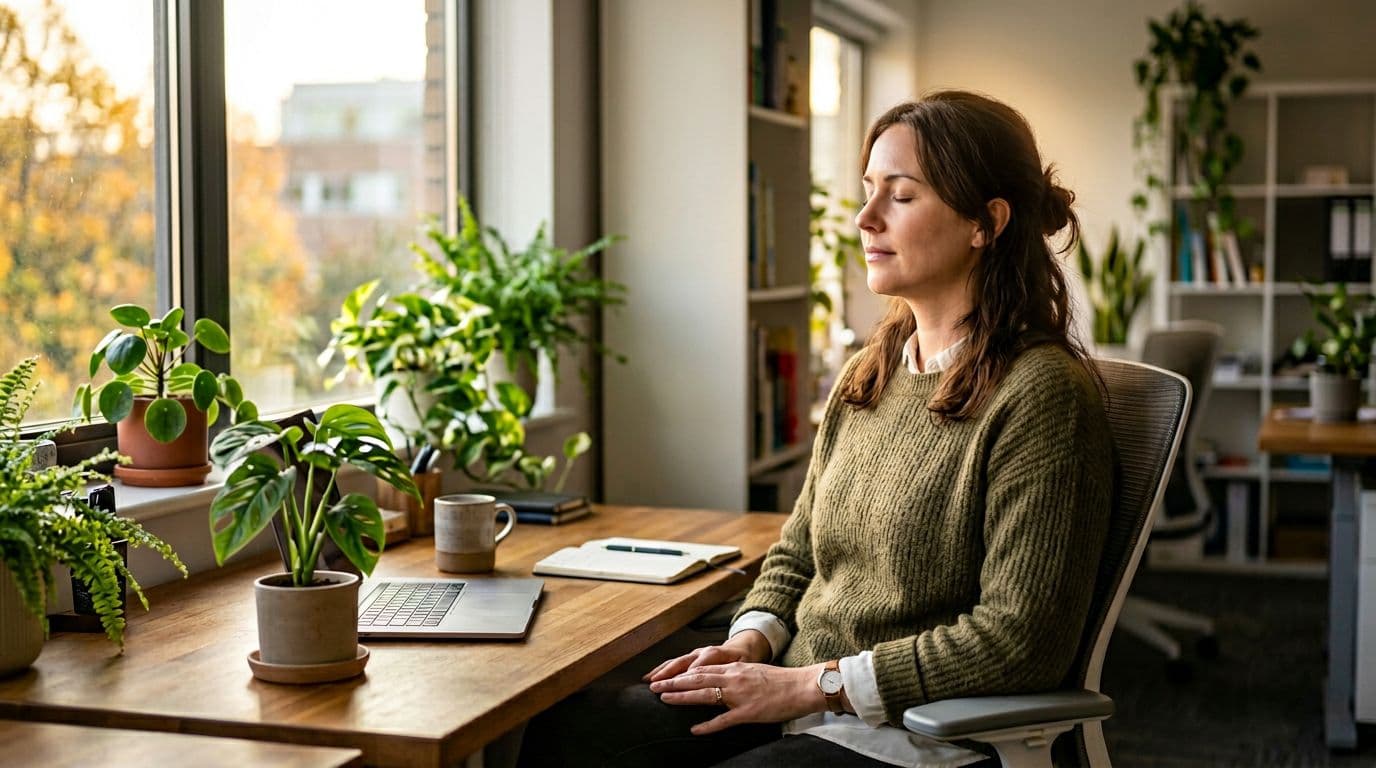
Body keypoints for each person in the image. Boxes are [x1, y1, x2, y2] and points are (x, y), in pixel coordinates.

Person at [518, 90, 1114, 768]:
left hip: (916, 735)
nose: (865, 218)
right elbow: (798, 549)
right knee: (568, 734)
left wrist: (811, 684)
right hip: (798, 696)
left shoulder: (1042, 396)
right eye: (868, 191)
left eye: (902, 196)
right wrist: (750, 644)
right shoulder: (874, 370)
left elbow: (1018, 640)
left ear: (986, 222)